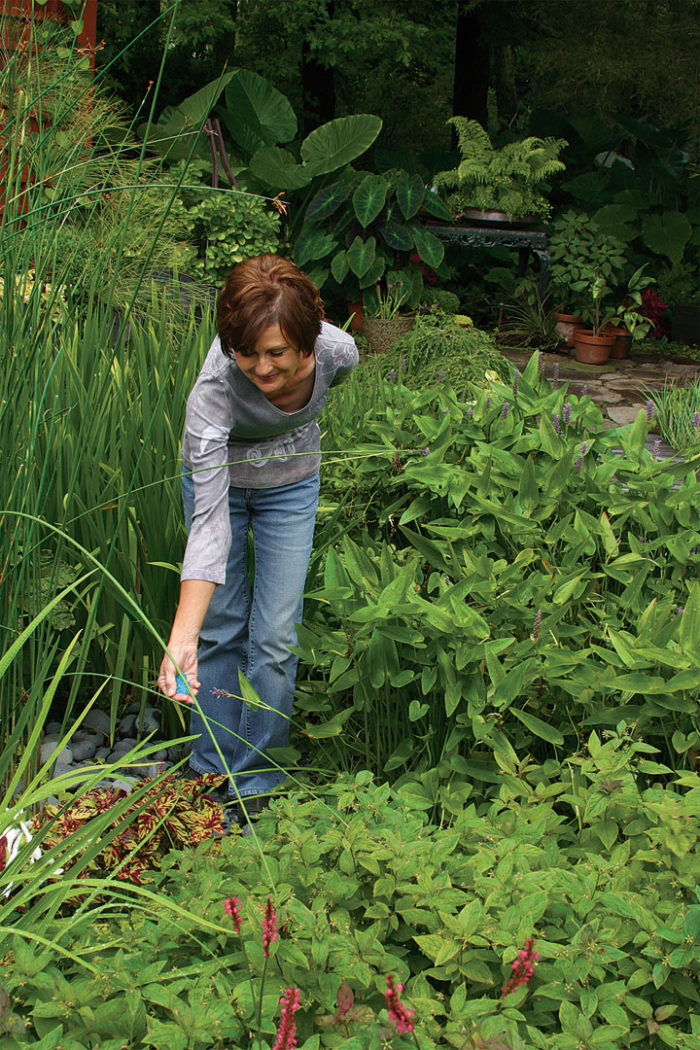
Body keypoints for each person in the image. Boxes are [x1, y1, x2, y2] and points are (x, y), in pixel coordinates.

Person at [157, 254, 358, 816]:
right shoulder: (215, 391)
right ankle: (208, 773)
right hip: (217, 485)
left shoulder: (340, 352)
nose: (262, 368)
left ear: (309, 340)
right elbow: (209, 529)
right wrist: (181, 638)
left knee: (274, 637)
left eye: (277, 354)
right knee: (219, 628)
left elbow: (327, 382)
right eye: (247, 353)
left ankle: (256, 787)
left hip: (291, 487)